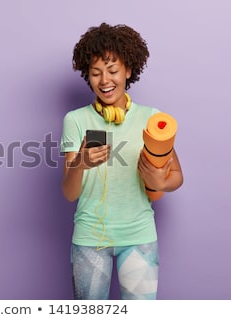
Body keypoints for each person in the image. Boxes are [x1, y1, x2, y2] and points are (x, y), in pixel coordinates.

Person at [60, 22, 183, 300]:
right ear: (87, 76)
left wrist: (160, 180)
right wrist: (80, 162)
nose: (105, 80)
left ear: (128, 70)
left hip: (139, 236)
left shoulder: (152, 118)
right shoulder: (76, 120)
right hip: (90, 239)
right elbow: (69, 193)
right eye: (95, 73)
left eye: (113, 71)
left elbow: (177, 176)